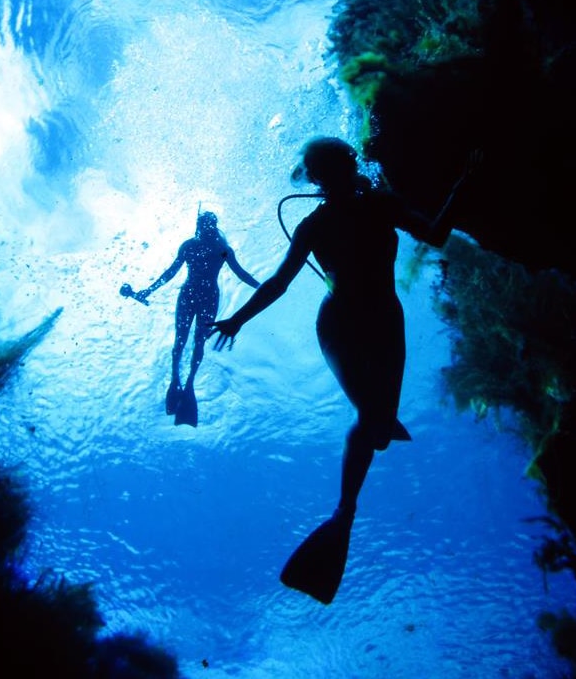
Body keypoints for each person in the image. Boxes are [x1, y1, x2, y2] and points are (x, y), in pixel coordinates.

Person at [211, 137, 480, 603]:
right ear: (317, 179)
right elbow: (278, 282)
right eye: (329, 168)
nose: (339, 173)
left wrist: (463, 185)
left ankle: (342, 515)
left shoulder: (379, 204)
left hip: (383, 321)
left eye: (343, 163)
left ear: (348, 166)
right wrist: (238, 318)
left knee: (377, 429)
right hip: (340, 323)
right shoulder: (316, 225)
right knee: (375, 419)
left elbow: (434, 234)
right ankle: (344, 513)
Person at [126, 211, 259, 427]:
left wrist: (263, 288)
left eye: (208, 225)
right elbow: (171, 272)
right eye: (203, 225)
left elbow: (240, 273)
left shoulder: (220, 249)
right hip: (194, 295)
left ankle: (184, 381)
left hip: (199, 296)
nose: (206, 229)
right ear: (201, 226)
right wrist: (147, 291)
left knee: (195, 340)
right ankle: (178, 379)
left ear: (211, 226)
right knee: (185, 338)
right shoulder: (196, 246)